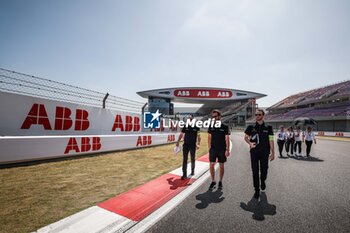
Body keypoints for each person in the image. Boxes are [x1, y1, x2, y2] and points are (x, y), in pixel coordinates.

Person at [244, 109, 275, 199]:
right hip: (254, 153)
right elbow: (245, 137)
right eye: (256, 115)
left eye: (259, 114)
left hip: (265, 153)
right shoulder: (251, 127)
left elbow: (271, 140)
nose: (257, 116)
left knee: (264, 170)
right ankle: (256, 189)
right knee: (255, 171)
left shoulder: (269, 127)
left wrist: (273, 153)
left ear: (263, 115)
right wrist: (250, 143)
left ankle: (263, 181)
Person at [207, 110, 230, 191]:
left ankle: (220, 181)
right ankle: (213, 181)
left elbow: (227, 138)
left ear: (220, 116)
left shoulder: (225, 126)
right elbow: (209, 137)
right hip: (213, 149)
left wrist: (227, 149)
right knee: (211, 165)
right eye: (213, 117)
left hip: (222, 149)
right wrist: (209, 148)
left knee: (221, 166)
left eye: (216, 116)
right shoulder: (211, 126)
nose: (214, 118)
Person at [176, 115, 201, 180]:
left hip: (193, 145)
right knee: (185, 159)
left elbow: (199, 136)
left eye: (190, 119)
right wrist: (178, 142)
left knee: (192, 159)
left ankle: (192, 171)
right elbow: (181, 134)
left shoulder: (196, 127)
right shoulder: (185, 126)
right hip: (186, 145)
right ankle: (184, 174)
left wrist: (198, 144)